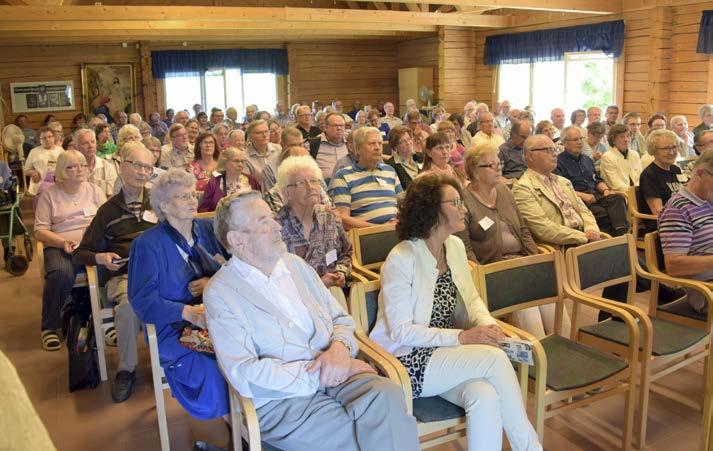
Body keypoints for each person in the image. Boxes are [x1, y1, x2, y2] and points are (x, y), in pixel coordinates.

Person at [203, 191, 419, 450]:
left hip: (339, 374)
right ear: (237, 240)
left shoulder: (294, 265)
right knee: (363, 435)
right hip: (283, 399)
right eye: (263, 221)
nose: (277, 226)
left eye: (272, 217)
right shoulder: (221, 292)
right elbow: (245, 373)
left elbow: (341, 317)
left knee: (387, 397)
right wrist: (323, 375)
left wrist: (339, 349)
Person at [369, 173, 542, 451]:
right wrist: (463, 337)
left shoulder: (455, 246)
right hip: (406, 360)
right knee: (495, 359)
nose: (463, 208)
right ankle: (531, 447)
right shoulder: (402, 258)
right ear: (432, 210)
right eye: (455, 202)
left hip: (444, 354)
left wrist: (488, 326)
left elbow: (471, 298)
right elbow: (401, 331)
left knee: (484, 395)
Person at [128, 169, 229, 421]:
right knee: (214, 369)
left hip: (219, 317)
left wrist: (211, 282)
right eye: (182, 197)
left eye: (192, 195)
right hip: (174, 326)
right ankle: (236, 424)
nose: (191, 201)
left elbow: (235, 269)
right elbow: (142, 299)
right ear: (164, 205)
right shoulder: (148, 244)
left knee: (252, 353)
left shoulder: (207, 229)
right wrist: (188, 313)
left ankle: (251, 427)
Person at [73, 143, 156, 403]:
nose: (143, 172)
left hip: (158, 273)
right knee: (128, 309)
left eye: (148, 167)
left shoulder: (158, 201)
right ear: (122, 165)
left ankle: (179, 360)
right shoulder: (107, 211)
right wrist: (101, 257)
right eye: (137, 165)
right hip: (125, 276)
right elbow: (81, 253)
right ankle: (127, 369)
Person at [34, 150, 107, 351]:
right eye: (72, 166)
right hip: (61, 244)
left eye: (82, 165)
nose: (79, 169)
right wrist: (62, 242)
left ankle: (107, 320)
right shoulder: (49, 195)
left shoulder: (94, 191)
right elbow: (40, 230)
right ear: (61, 171)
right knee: (60, 273)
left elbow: (107, 221)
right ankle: (50, 326)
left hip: (92, 244)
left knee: (109, 267)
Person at [275, 156, 352, 288]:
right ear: (287, 192)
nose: (310, 187)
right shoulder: (276, 228)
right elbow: (276, 277)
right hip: (297, 302)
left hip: (333, 295)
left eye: (314, 181)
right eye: (301, 183)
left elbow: (346, 253)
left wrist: (341, 272)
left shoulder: (330, 218)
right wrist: (319, 284)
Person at [513, 134, 601, 248]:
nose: (555, 154)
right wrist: (583, 237)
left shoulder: (563, 182)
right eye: (548, 150)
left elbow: (584, 211)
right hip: (562, 247)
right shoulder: (523, 189)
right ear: (530, 156)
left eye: (555, 149)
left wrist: (591, 228)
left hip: (584, 239)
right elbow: (543, 229)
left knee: (620, 250)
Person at [657, 150, 713, 314]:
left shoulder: (707, 199)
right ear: (701, 174)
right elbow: (674, 265)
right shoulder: (678, 210)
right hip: (705, 290)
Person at [555, 126, 629, 236]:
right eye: (575, 140)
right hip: (577, 200)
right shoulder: (558, 162)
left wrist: (605, 190)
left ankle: (620, 234)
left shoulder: (587, 159)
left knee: (618, 198)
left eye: (581, 139)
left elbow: (596, 179)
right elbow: (560, 190)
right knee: (602, 212)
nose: (580, 142)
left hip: (595, 195)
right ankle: (611, 240)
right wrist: (582, 196)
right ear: (565, 143)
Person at [329, 127, 402, 229]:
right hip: (366, 237)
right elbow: (343, 219)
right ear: (358, 149)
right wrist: (379, 229)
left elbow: (404, 206)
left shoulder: (389, 171)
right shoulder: (343, 175)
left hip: (396, 230)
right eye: (372, 143)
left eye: (380, 143)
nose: (377, 147)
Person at [638, 129, 686, 231]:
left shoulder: (676, 169)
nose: (672, 152)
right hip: (664, 223)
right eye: (666, 149)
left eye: (674, 147)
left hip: (683, 218)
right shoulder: (649, 175)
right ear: (653, 151)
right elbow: (658, 211)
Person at [198, 147, 259, 213]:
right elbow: (203, 210)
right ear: (225, 162)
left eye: (242, 161)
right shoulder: (214, 183)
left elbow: (261, 202)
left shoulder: (251, 180)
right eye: (236, 161)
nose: (240, 164)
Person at [75, 128, 118, 198]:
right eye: (85, 143)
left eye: (93, 142)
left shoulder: (108, 168)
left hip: (102, 207)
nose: (90, 146)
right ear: (77, 147)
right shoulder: (71, 168)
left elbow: (112, 198)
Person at [600, 124, 642, 193]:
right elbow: (615, 184)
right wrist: (635, 191)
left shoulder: (635, 154)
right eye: (622, 137)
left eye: (628, 136)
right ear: (613, 140)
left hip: (638, 191)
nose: (626, 139)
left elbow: (640, 177)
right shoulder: (607, 157)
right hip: (621, 194)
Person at [308, 113, 348, 183]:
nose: (339, 128)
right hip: (324, 188)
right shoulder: (313, 145)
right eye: (335, 125)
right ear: (326, 127)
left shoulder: (350, 144)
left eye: (341, 125)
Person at [24, 126, 62, 196]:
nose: (47, 140)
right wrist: (33, 172)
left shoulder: (60, 150)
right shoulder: (34, 152)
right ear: (40, 140)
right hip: (39, 187)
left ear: (53, 137)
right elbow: (26, 170)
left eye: (49, 136)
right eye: (44, 138)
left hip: (58, 186)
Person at [245, 119, 280, 188]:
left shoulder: (279, 149)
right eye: (259, 133)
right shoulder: (244, 157)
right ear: (250, 137)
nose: (264, 135)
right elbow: (247, 183)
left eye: (266, 131)